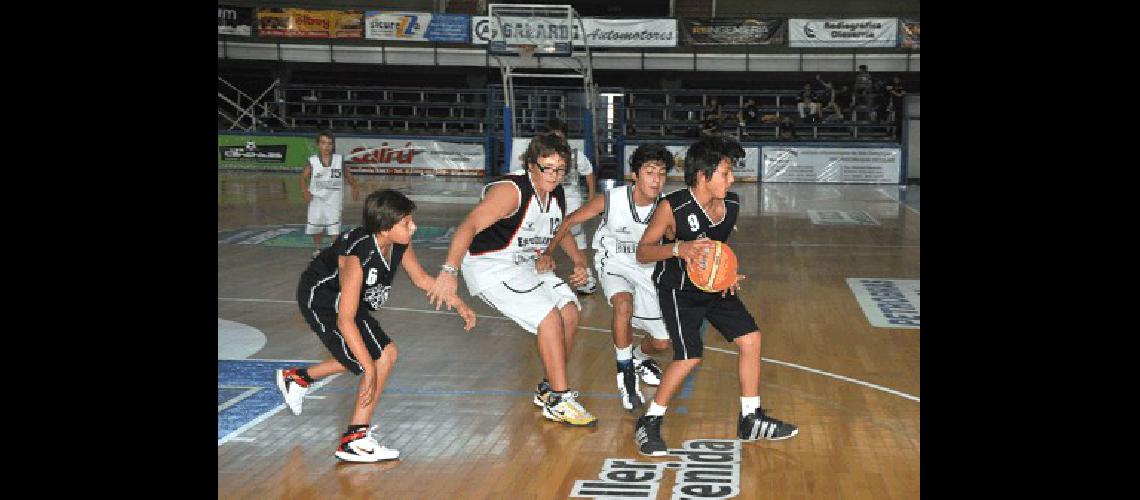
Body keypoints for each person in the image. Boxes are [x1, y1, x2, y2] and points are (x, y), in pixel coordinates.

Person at [276, 189, 477, 462]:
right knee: (375, 359)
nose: (414, 227)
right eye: (407, 223)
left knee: (381, 356)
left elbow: (421, 279)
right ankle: (354, 439)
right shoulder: (357, 256)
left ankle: (300, 379)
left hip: (349, 302)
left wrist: (458, 303)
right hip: (322, 300)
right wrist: (369, 368)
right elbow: (345, 319)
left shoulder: (399, 243)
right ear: (385, 227)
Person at [632, 135, 798, 456]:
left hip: (713, 287)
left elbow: (720, 249)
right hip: (678, 290)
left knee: (750, 339)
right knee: (690, 357)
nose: (732, 179)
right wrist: (680, 248)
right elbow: (643, 252)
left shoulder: (731, 204)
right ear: (703, 176)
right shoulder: (673, 206)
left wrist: (726, 272)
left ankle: (750, 418)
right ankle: (649, 422)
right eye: (725, 173)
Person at [427, 133, 597, 427]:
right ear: (531, 165)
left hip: (523, 263)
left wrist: (579, 260)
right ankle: (559, 396)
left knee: (569, 311)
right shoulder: (511, 191)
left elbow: (560, 228)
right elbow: (468, 226)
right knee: (549, 317)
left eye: (560, 170)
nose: (554, 176)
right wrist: (449, 271)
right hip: (491, 266)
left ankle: (548, 388)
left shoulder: (553, 191)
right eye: (547, 168)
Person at [539, 144, 675, 411]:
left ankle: (637, 357)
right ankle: (625, 371)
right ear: (635, 175)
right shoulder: (612, 199)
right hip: (613, 262)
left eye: (661, 174)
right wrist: (548, 253)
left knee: (662, 342)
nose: (656, 180)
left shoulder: (667, 208)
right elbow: (567, 222)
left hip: (647, 269)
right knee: (623, 304)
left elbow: (673, 245)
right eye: (649, 172)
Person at [540, 118, 599, 295]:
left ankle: (584, 276)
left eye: (559, 136)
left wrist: (590, 199)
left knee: (577, 241)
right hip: (548, 202)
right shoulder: (541, 156)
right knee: (543, 239)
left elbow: (589, 174)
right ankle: (541, 275)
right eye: (553, 137)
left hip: (571, 202)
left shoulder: (575, 155)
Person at [301, 130, 360, 258]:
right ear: (318, 144)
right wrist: (304, 191)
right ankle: (317, 249)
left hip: (334, 199)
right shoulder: (313, 161)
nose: (326, 146)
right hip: (316, 199)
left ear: (333, 145)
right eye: (323, 143)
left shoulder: (339, 160)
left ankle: (335, 252)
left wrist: (354, 187)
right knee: (316, 225)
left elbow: (348, 175)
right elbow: (303, 177)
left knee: (334, 226)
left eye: (329, 143)